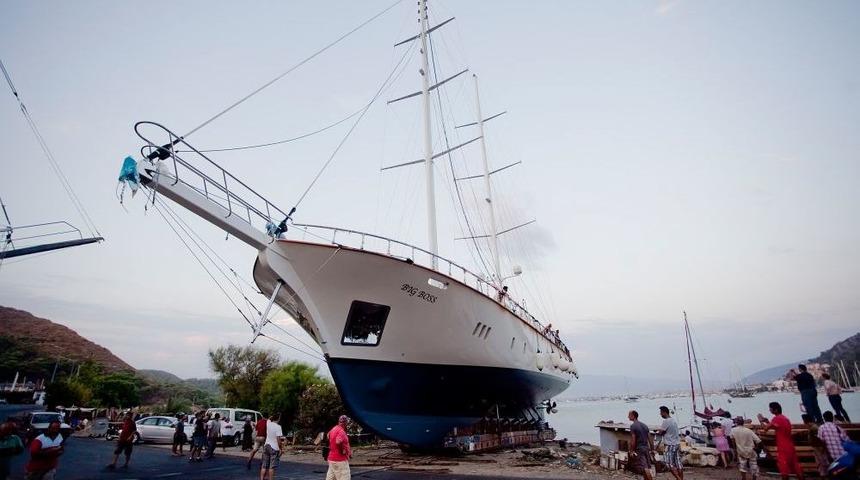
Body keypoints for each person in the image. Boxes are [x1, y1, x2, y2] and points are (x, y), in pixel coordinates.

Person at [758, 402, 805, 480]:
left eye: (770, 409)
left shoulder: (776, 418)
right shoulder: (785, 419)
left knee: (783, 467)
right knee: (795, 465)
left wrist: (760, 421)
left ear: (775, 410)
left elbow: (765, 429)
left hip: (783, 447)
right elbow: (777, 427)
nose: (769, 410)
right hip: (790, 445)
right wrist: (767, 422)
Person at [656, 406, 683, 480]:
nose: (660, 414)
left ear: (664, 412)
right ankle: (681, 478)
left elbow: (661, 433)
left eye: (661, 413)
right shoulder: (673, 420)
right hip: (676, 444)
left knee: (669, 464)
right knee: (678, 464)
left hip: (669, 445)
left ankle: (679, 479)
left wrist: (657, 432)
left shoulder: (666, 421)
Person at [326, 415, 352, 480]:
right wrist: (343, 449)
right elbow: (338, 441)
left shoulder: (333, 429)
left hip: (331, 459)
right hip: (340, 460)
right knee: (345, 477)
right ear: (345, 423)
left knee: (331, 478)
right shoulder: (341, 432)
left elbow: (328, 436)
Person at [260, 413, 283, 480]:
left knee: (264, 465)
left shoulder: (268, 423)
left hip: (266, 445)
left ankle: (261, 479)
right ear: (279, 418)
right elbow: (278, 439)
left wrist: (272, 416)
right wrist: (281, 448)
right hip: (274, 447)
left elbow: (269, 418)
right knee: (272, 467)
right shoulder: (278, 427)